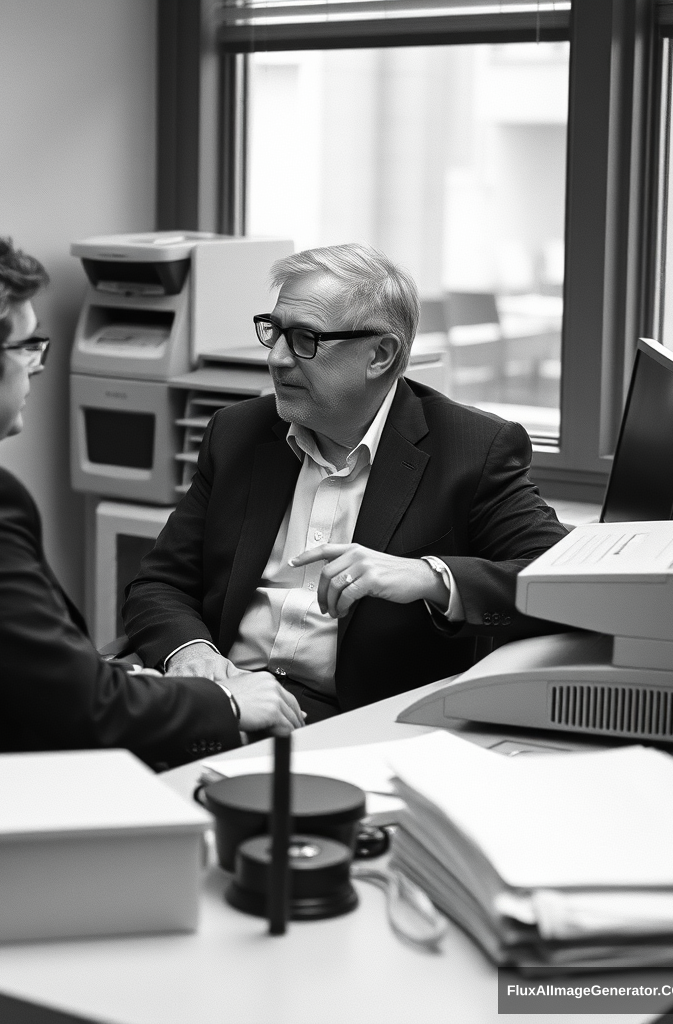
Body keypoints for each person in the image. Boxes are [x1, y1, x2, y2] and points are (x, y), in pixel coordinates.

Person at [0, 229, 303, 771]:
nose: (37, 368)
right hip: (14, 779)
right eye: (25, 348)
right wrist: (229, 702)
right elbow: (85, 710)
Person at [122, 243, 569, 723]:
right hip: (231, 700)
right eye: (273, 331)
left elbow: (565, 586)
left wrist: (429, 576)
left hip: (357, 720)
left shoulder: (472, 450)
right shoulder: (238, 434)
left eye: (304, 339)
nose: (275, 359)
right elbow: (160, 582)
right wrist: (192, 653)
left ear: (380, 354)